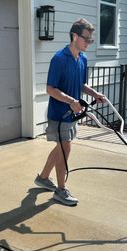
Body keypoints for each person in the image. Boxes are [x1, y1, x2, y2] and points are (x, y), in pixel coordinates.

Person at [34, 18, 105, 206]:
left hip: (72, 114)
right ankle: (60, 190)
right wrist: (71, 101)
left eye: (91, 39)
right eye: (87, 39)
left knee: (60, 148)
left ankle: (42, 178)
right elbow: (50, 89)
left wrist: (94, 93)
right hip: (59, 114)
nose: (89, 42)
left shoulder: (82, 58)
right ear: (75, 36)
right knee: (65, 148)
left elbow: (81, 84)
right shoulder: (59, 59)